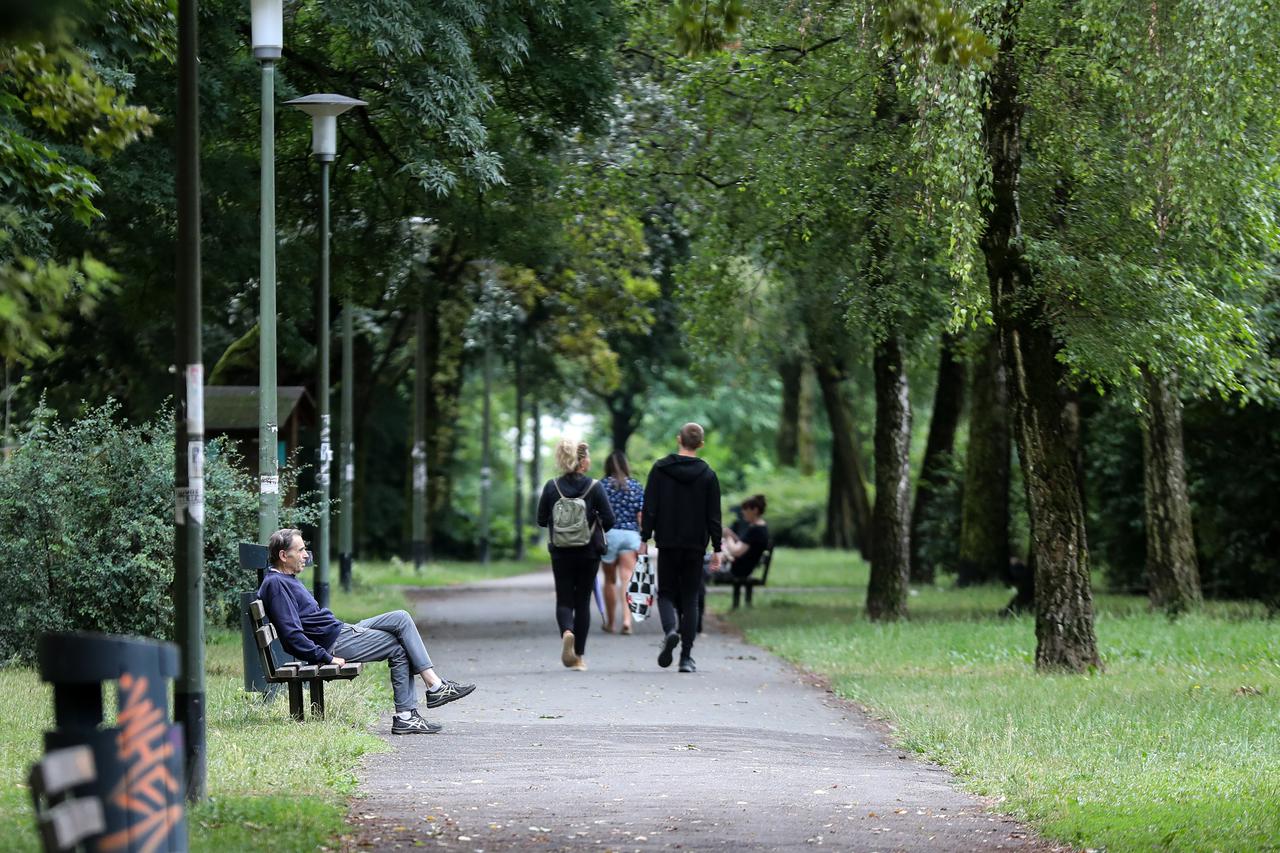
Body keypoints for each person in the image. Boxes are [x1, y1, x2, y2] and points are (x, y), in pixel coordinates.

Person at [257, 528, 476, 735]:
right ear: (284, 555)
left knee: (401, 617)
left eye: (306, 549)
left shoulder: (283, 580)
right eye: (301, 550)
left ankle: (432, 687)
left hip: (339, 631)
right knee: (398, 646)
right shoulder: (277, 585)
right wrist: (327, 657)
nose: (306, 555)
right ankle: (412, 709)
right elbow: (291, 635)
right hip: (335, 641)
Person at [639, 422, 721, 673]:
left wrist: (644, 538)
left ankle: (670, 631)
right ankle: (686, 658)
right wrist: (717, 547)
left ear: (679, 439)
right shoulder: (708, 474)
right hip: (695, 545)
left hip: (668, 541)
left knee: (665, 593)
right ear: (701, 444)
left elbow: (650, 506)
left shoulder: (660, 469)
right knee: (690, 597)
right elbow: (713, 515)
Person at [537, 438, 615, 671]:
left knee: (564, 599)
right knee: (582, 602)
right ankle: (578, 656)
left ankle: (567, 632)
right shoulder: (595, 487)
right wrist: (594, 522)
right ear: (582, 461)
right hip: (588, 552)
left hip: (560, 552)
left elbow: (541, 520)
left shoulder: (552, 486)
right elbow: (610, 520)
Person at [599, 450, 644, 634]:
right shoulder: (635, 486)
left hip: (609, 535)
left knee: (610, 580)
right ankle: (627, 621)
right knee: (627, 578)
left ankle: (610, 623)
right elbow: (640, 515)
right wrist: (643, 538)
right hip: (630, 535)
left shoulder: (601, 486)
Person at [709, 494, 770, 581]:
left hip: (737, 571)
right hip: (741, 569)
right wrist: (732, 536)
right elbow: (744, 545)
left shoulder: (756, 530)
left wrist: (727, 536)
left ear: (755, 510)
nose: (742, 512)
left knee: (699, 568)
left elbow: (736, 552)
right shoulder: (760, 527)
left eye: (745, 508)